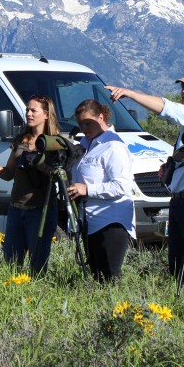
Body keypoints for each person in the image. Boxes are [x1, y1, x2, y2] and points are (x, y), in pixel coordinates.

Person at [107, 69, 184, 288]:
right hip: (181, 198)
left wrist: (130, 94)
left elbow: (167, 108)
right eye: (183, 86)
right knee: (178, 260)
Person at [0, 94, 61, 276]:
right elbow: (9, 174)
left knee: (38, 267)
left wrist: (37, 162)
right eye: (27, 109)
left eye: (33, 110)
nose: (28, 113)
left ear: (46, 114)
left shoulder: (55, 142)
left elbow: (58, 175)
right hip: (16, 209)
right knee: (11, 264)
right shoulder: (21, 140)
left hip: (40, 211)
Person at [66, 99, 135, 282]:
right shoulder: (86, 144)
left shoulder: (114, 146)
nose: (84, 128)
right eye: (81, 124)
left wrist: (87, 189)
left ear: (101, 117)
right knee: (97, 275)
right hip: (90, 220)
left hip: (111, 221)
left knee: (109, 276)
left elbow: (122, 186)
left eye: (88, 123)